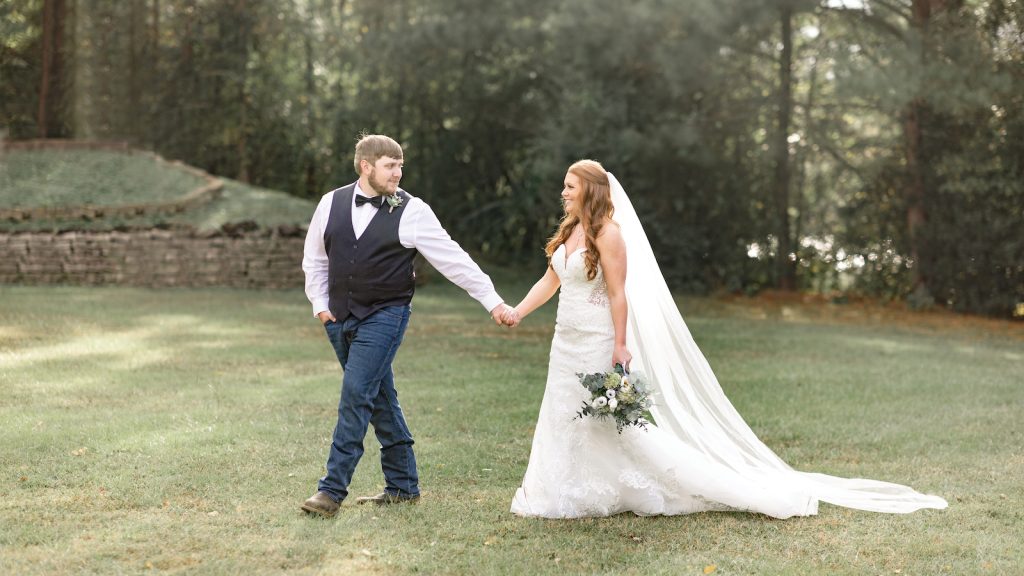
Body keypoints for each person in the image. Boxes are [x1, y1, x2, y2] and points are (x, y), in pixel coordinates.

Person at [503, 160, 948, 518]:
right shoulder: (569, 231)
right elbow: (551, 280)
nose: (563, 192)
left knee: (604, 419)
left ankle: (649, 484)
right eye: (565, 187)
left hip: (598, 338)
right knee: (563, 410)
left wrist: (621, 344)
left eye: (570, 186)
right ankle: (566, 489)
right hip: (566, 339)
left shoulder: (610, 234)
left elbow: (619, 294)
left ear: (590, 190)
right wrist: (518, 311)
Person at [300, 134, 513, 517]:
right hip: (338, 317)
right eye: (390, 166)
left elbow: (453, 259)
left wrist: (493, 301)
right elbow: (315, 258)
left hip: (386, 314)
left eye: (400, 165)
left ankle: (330, 492)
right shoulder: (330, 202)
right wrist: (320, 305)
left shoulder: (413, 210)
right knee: (380, 397)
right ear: (366, 166)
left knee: (356, 395)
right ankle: (403, 485)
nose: (398, 173)